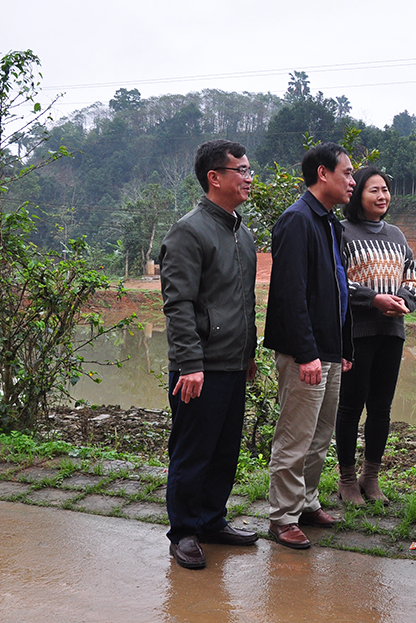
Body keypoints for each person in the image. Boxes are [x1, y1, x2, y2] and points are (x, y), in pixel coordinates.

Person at [159, 139, 259, 569]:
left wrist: (248, 352)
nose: (249, 177)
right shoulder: (189, 231)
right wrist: (190, 363)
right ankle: (183, 532)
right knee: (192, 451)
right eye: (240, 169)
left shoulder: (243, 234)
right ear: (214, 177)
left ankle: (211, 520)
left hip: (233, 363)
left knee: (224, 450)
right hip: (199, 368)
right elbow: (178, 303)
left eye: (249, 169)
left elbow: (244, 301)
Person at [263, 142, 355, 549]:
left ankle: (305, 502)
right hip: (307, 352)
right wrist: (306, 353)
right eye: (347, 173)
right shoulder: (296, 221)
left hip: (330, 349)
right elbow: (289, 294)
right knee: (295, 436)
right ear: (323, 173)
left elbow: (338, 290)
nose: (352, 181)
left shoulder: (330, 223)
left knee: (320, 435)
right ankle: (282, 517)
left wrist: (343, 346)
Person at [335, 167, 416, 505]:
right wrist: (373, 299)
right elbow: (338, 279)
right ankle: (346, 480)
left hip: (391, 332)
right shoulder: (341, 232)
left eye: (385, 189)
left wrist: (404, 300)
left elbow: (411, 277)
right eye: (374, 190)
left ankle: (371, 478)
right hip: (357, 332)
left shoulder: (397, 235)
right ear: (358, 195)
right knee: (351, 406)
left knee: (381, 408)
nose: (382, 196)